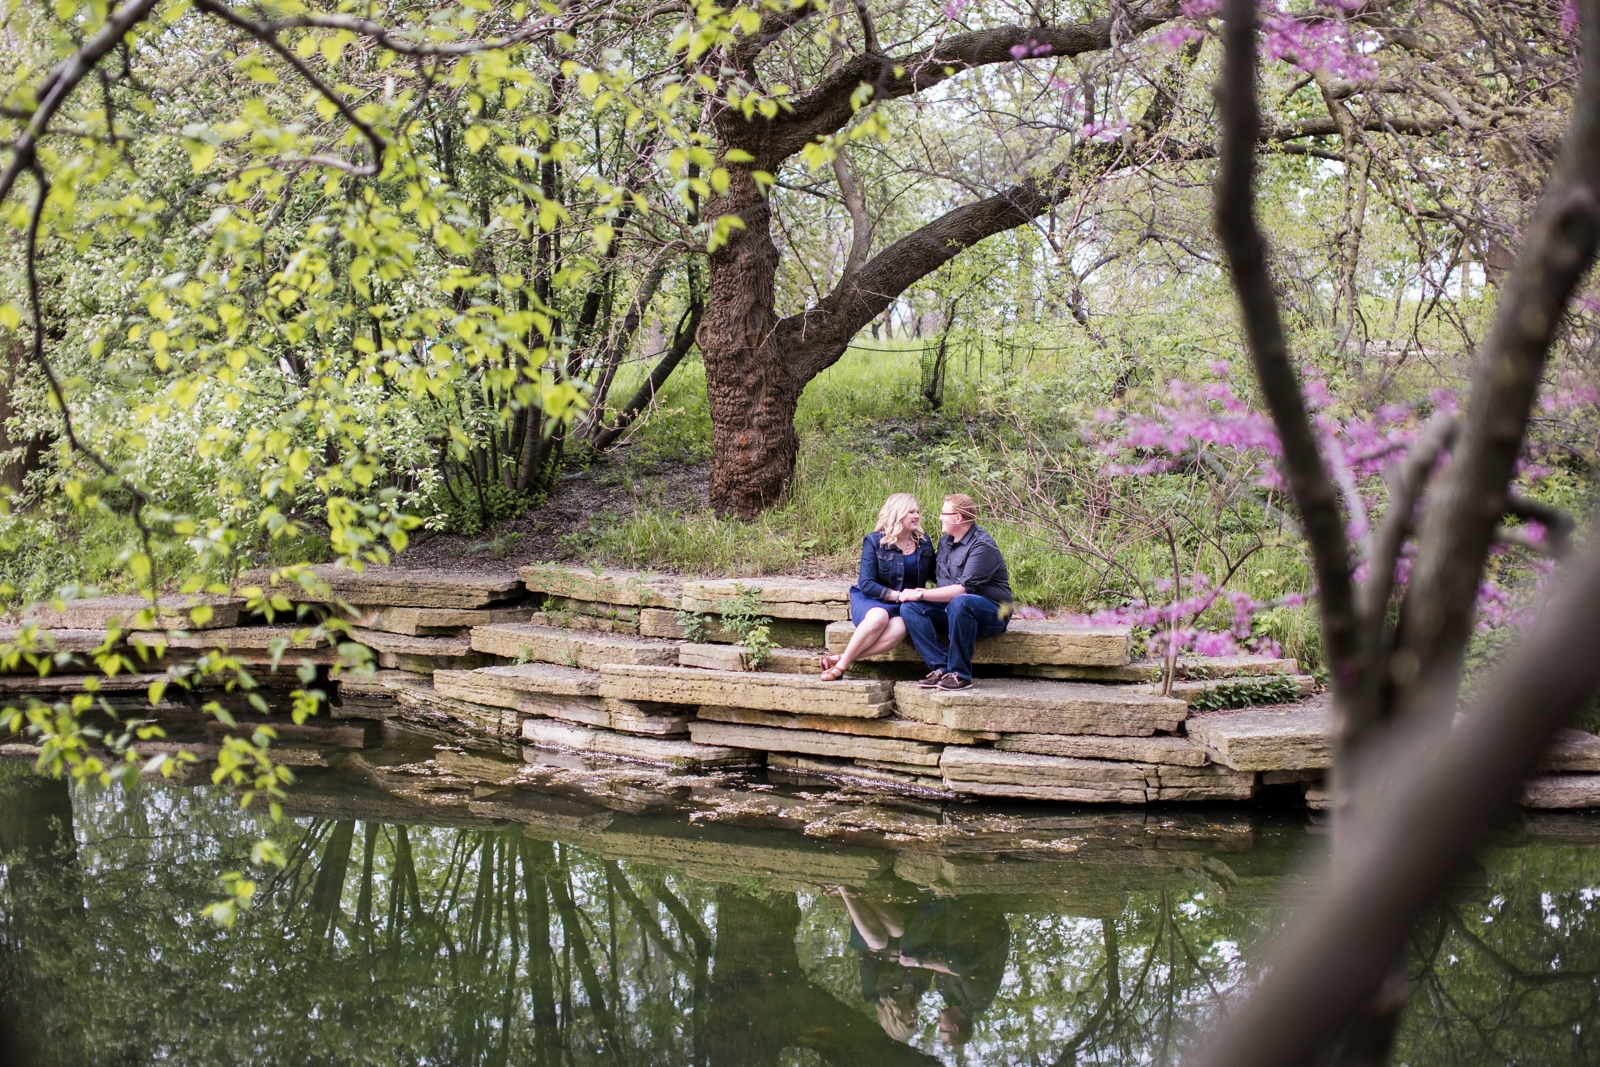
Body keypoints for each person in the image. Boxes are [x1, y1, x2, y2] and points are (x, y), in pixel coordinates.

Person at [898, 493, 1012, 691]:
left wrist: (919, 593)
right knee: (911, 608)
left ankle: (960, 674)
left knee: (961, 601)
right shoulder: (945, 543)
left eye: (943, 513)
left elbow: (962, 590)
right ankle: (941, 669)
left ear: (958, 518)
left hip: (993, 613)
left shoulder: (982, 546)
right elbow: (930, 573)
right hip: (953, 611)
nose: (940, 517)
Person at [820, 493, 935, 681]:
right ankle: (840, 668)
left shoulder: (923, 542)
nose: (916, 516)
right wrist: (898, 596)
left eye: (917, 511)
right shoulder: (875, 542)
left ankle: (843, 658)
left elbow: (936, 574)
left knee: (900, 628)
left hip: (905, 605)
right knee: (879, 617)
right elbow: (866, 584)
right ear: (897, 514)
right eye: (910, 512)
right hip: (873, 599)